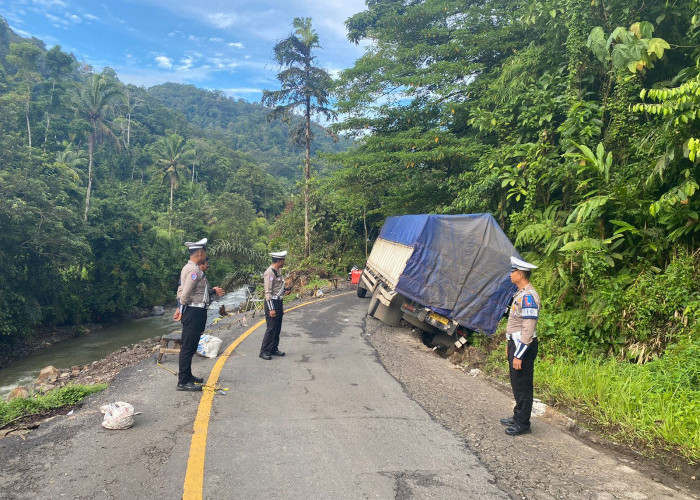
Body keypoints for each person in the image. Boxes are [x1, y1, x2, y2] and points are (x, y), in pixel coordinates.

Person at [175, 238, 224, 391]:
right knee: (188, 347)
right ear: (200, 253)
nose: (205, 255)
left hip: (197, 311)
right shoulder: (194, 270)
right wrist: (182, 312)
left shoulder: (191, 268)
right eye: (205, 252)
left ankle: (188, 376)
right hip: (193, 311)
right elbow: (185, 294)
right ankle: (182, 381)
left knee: (191, 345)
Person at [501, 256, 541, 436]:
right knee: (516, 383)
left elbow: (528, 326)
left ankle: (523, 423)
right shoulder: (520, 294)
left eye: (513, 271)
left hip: (523, 346)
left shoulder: (529, 297)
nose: (511, 274)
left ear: (521, 274)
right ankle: (517, 416)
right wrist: (510, 345)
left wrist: (519, 354)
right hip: (515, 343)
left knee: (523, 385)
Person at [259, 250, 289, 360]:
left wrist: (285, 290)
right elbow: (268, 292)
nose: (284, 262)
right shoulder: (269, 273)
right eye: (283, 260)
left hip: (278, 301)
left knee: (277, 327)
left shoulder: (278, 271)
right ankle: (264, 351)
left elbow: (277, 288)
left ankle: (273, 348)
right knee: (271, 327)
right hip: (271, 302)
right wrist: (271, 309)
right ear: (279, 261)